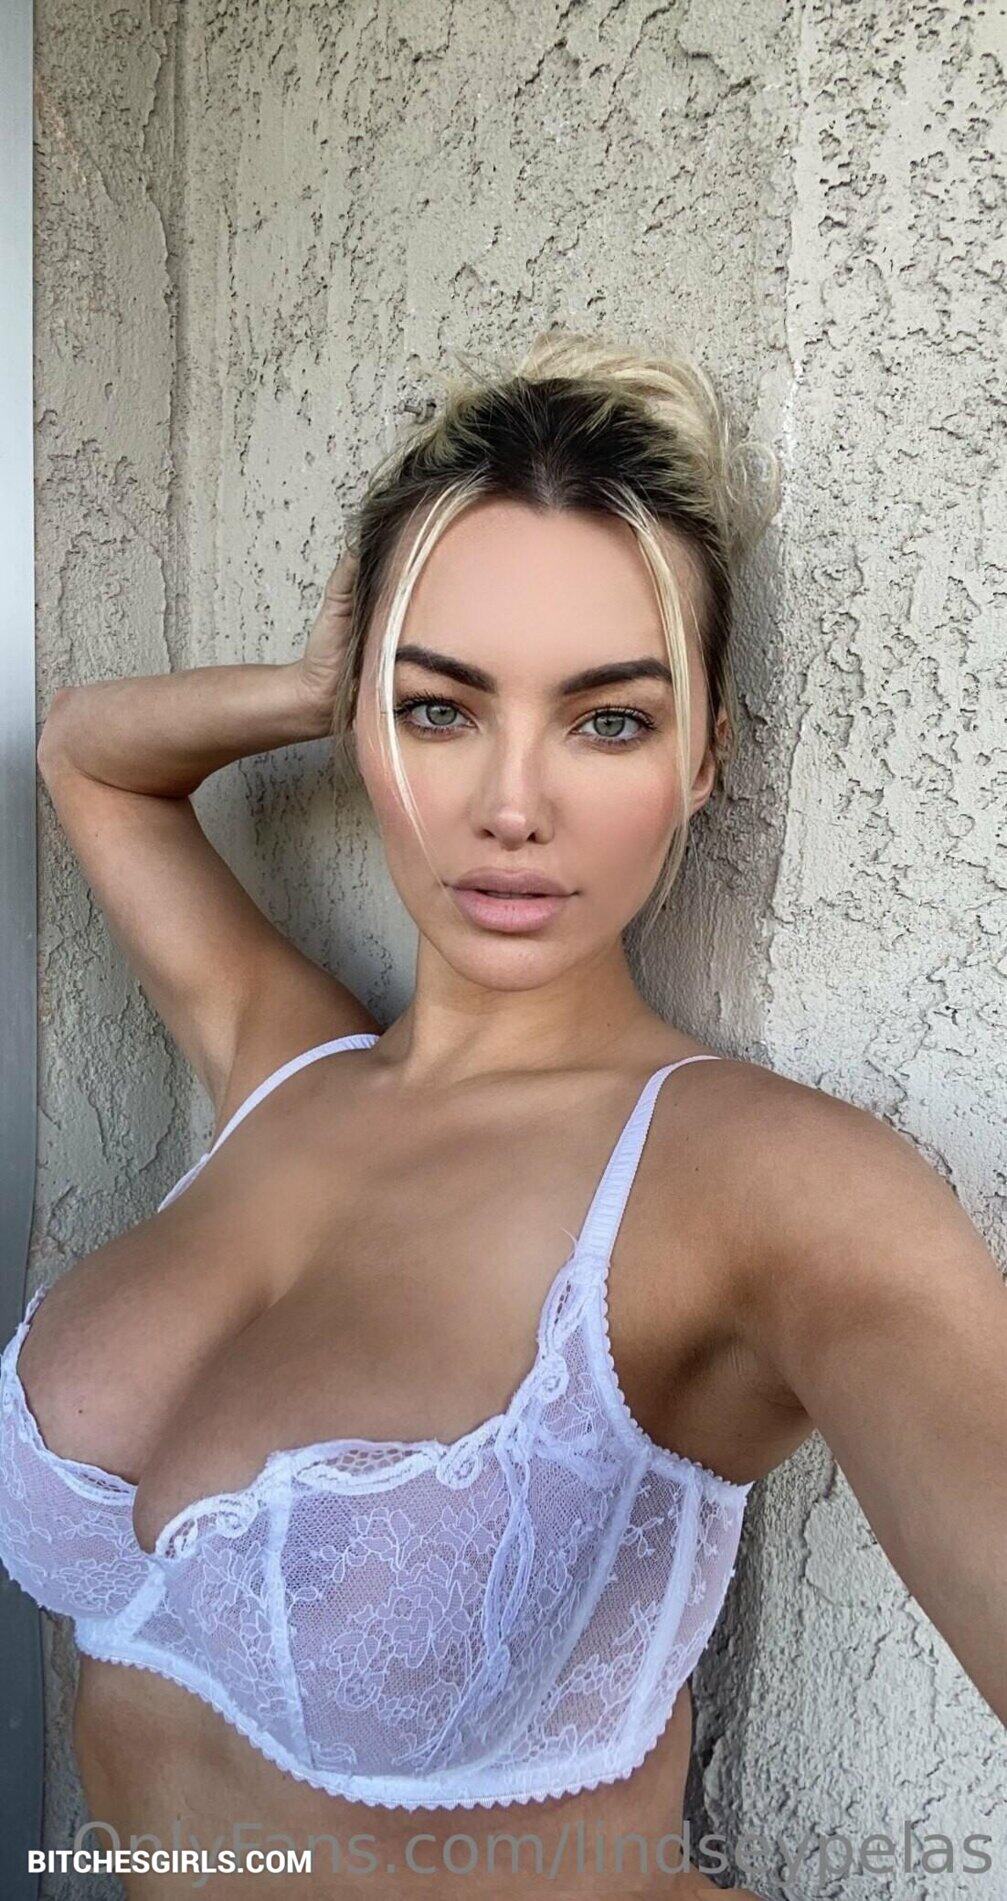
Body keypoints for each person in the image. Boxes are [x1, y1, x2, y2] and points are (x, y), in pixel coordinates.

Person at [2, 330, 1003, 1901]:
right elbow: (85, 757)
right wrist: (323, 685)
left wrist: (392, 691)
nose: (512, 804)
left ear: (706, 758)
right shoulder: (284, 1066)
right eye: (441, 709)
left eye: (609, 720)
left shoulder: (752, 1182)